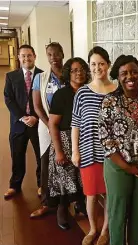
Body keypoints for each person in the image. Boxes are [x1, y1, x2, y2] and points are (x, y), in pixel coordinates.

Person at [72, 46, 118, 245]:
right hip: (88, 151)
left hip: (113, 154)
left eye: (101, 63)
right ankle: (92, 229)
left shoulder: (117, 91)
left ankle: (105, 231)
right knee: (91, 195)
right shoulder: (82, 93)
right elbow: (75, 124)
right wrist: (75, 151)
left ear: (108, 65)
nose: (97, 68)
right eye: (93, 64)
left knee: (110, 194)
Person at [99, 55, 138, 245]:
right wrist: (126, 167)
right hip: (117, 166)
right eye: (124, 73)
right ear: (118, 77)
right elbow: (105, 139)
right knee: (117, 214)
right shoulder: (110, 101)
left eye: (134, 72)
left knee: (137, 214)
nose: (130, 76)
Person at [48, 57, 89, 230]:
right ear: (67, 73)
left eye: (81, 69)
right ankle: (62, 209)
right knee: (65, 178)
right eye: (74, 70)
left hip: (85, 140)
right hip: (64, 141)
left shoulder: (89, 92)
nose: (79, 73)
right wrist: (59, 151)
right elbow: (53, 124)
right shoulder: (61, 94)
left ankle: (80, 204)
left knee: (82, 177)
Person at [3, 45, 43, 199]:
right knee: (17, 155)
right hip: (18, 124)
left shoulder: (43, 75)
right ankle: (14, 185)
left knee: (41, 156)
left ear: (34, 56)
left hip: (38, 123)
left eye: (29, 55)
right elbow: (8, 99)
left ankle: (41, 184)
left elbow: (47, 101)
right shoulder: (11, 76)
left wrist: (36, 117)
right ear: (19, 58)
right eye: (23, 56)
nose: (26, 58)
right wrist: (22, 117)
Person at [31, 42, 64, 218]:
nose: (53, 58)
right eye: (50, 55)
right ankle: (47, 203)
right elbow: (37, 106)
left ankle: (71, 202)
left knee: (69, 165)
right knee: (46, 165)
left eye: (56, 54)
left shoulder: (70, 75)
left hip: (68, 128)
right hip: (47, 128)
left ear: (62, 54)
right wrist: (50, 126)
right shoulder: (40, 78)